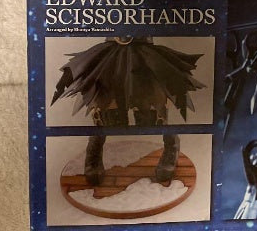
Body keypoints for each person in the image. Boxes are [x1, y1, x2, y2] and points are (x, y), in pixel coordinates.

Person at [51, 36, 205, 185]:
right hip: (111, 48)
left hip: (143, 47)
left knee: (156, 102)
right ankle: (94, 149)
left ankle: (172, 146)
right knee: (102, 103)